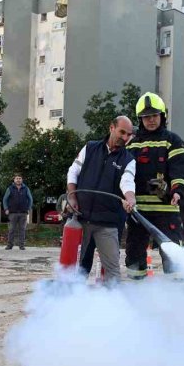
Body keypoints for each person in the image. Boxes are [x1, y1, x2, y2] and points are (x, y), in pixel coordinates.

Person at [66, 116, 136, 284]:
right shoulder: (90, 148)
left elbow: (127, 181)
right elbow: (73, 171)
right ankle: (72, 303)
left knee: (112, 270)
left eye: (129, 134)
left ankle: (111, 306)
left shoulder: (128, 160)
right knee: (79, 267)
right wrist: (73, 196)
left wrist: (130, 198)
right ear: (111, 128)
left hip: (108, 223)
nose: (125, 138)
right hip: (82, 218)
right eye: (122, 132)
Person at [125, 92, 184, 277]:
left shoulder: (172, 140)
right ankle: (138, 294)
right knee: (134, 255)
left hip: (166, 209)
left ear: (162, 116)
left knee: (172, 256)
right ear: (140, 119)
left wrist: (177, 191)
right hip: (138, 211)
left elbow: (179, 170)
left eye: (154, 115)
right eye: (146, 117)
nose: (150, 120)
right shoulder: (132, 144)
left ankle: (176, 296)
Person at [2, 175, 33, 250]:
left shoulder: (26, 188)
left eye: (20, 178)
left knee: (22, 230)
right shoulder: (10, 188)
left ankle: (21, 245)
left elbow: (30, 199)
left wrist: (29, 208)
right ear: (14, 180)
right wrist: (6, 208)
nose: (18, 180)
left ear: (22, 180)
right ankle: (9, 245)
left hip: (23, 213)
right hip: (12, 213)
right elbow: (5, 199)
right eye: (17, 178)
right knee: (11, 229)